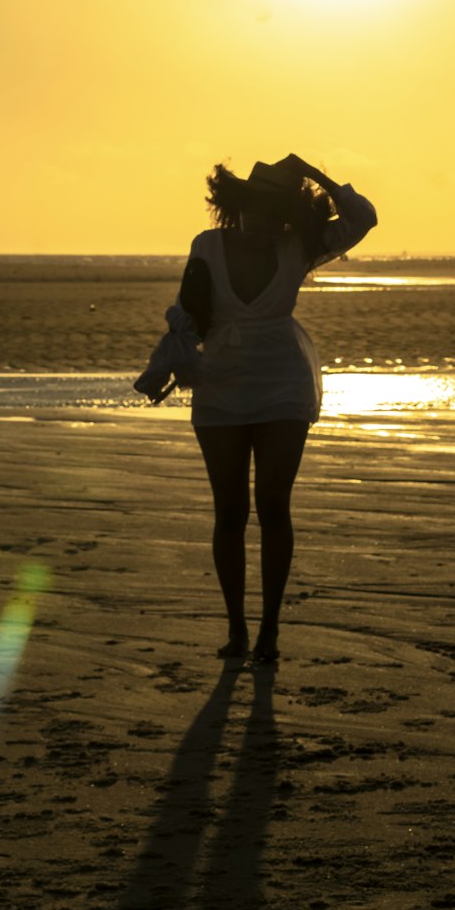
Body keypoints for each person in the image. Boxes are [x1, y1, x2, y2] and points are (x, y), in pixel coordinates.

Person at [175, 153, 377, 664]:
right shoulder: (207, 245)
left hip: (283, 384)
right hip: (220, 385)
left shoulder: (299, 246)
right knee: (229, 512)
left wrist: (318, 177)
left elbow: (363, 218)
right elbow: (188, 314)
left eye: (275, 212)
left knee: (272, 505)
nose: (262, 222)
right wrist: (173, 363)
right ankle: (236, 629)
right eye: (254, 209)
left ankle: (269, 631)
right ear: (235, 206)